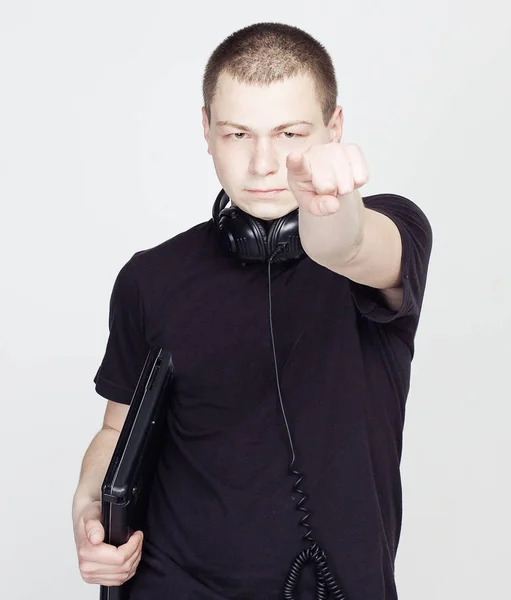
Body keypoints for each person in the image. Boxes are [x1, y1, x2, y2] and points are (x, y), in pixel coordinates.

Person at [72, 22, 432, 600]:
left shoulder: (394, 228)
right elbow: (119, 425)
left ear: (333, 128)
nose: (265, 163)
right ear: (207, 133)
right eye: (238, 134)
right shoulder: (150, 276)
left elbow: (350, 245)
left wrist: (329, 206)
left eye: (290, 133)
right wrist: (88, 507)